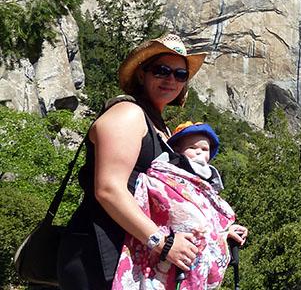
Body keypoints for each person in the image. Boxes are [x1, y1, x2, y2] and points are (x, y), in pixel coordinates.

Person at [58, 33, 207, 290]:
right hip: (99, 254)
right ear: (142, 74)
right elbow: (108, 189)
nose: (171, 79)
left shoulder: (160, 128)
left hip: (127, 256)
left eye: (180, 75)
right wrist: (163, 243)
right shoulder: (127, 114)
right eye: (161, 70)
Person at [111, 121, 246, 289]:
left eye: (204, 149)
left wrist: (225, 232)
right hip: (166, 256)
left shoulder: (207, 188)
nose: (199, 152)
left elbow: (207, 219)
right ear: (178, 150)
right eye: (192, 147)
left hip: (190, 264)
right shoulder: (163, 175)